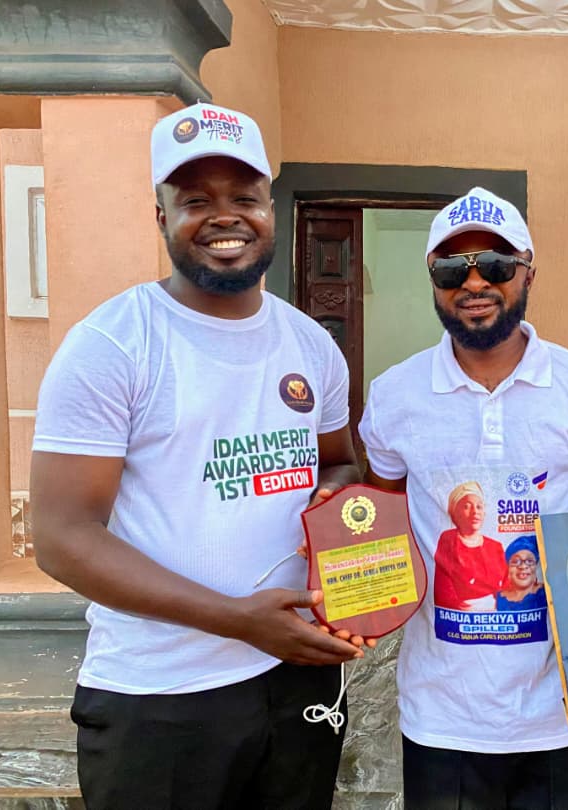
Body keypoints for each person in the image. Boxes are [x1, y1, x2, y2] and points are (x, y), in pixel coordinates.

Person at [30, 102, 367, 810]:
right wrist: (238, 619)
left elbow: (338, 462)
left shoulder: (312, 344)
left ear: (268, 210)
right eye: (195, 201)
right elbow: (62, 538)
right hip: (160, 697)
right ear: (162, 217)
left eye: (244, 197)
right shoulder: (113, 344)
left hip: (297, 677)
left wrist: (335, 501)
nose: (225, 218)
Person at [359, 187, 568, 809]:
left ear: (529, 272)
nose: (475, 282)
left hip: (565, 710)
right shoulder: (395, 394)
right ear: (433, 279)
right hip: (443, 716)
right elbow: (378, 525)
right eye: (452, 269)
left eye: (497, 264)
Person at [434, 481, 507, 611]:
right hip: (460, 614)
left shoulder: (495, 546)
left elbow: (508, 586)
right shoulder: (448, 540)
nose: (475, 512)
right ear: (455, 512)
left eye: (479, 507)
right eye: (467, 507)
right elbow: (443, 591)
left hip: (496, 614)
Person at [496, 536, 546, 611]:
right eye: (516, 561)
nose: (523, 566)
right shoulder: (499, 598)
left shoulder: (546, 593)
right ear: (508, 568)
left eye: (529, 561)